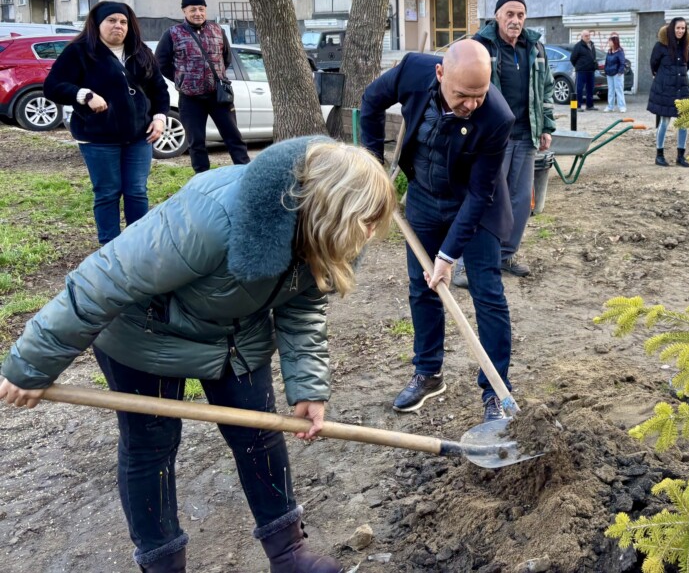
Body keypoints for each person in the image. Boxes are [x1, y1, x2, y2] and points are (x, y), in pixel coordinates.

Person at [0, 138, 396, 573]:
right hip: (146, 330)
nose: (372, 234)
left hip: (233, 333)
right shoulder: (215, 218)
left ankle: (288, 553)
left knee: (260, 435)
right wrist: (30, 366)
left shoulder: (327, 235)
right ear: (328, 209)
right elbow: (100, 282)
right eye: (366, 222)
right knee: (152, 445)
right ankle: (163, 564)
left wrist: (308, 386)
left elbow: (304, 303)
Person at [360, 40, 516, 422]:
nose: (471, 105)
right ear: (440, 74)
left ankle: (496, 390)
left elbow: (481, 193)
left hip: (475, 208)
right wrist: (372, 164)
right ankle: (428, 373)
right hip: (424, 199)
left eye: (479, 95)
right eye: (462, 95)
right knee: (422, 288)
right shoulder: (413, 70)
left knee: (487, 293)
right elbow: (370, 102)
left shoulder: (497, 117)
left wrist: (447, 257)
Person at [449, 0, 554, 287]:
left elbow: (545, 91)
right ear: (497, 15)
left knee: (520, 202)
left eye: (520, 15)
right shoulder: (481, 46)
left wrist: (546, 127)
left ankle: (505, 255)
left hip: (526, 135)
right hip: (493, 139)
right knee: (483, 199)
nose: (515, 21)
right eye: (509, 14)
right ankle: (462, 263)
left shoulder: (535, 48)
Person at [43, 2, 170, 245]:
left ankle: (137, 245)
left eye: (123, 22)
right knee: (108, 193)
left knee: (137, 192)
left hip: (139, 137)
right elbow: (53, 87)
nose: (118, 26)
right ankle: (109, 247)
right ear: (98, 24)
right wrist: (85, 95)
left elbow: (159, 89)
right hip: (98, 138)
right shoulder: (80, 51)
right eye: (111, 20)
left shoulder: (141, 51)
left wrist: (160, 117)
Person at [155, 0, 249, 174]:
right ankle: (202, 178)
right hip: (190, 98)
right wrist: (182, 79)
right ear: (184, 11)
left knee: (234, 137)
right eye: (193, 10)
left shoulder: (218, 30)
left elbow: (226, 58)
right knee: (196, 142)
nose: (197, 13)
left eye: (201, 9)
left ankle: (244, 173)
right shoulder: (172, 34)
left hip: (219, 95)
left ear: (205, 10)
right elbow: (160, 63)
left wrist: (216, 76)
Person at [647, 17, 689, 168]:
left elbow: (687, 65)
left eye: (683, 28)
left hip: (682, 88)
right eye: (678, 28)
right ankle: (659, 155)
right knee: (664, 122)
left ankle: (681, 156)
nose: (680, 31)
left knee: (684, 122)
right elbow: (653, 64)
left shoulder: (687, 46)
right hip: (665, 89)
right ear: (672, 29)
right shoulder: (660, 46)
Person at [570, 30, 598, 111]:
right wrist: (579, 66)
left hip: (591, 70)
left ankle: (589, 105)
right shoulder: (578, 46)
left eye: (589, 35)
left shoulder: (592, 45)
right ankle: (577, 106)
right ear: (582, 37)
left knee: (590, 88)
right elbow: (573, 58)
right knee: (579, 88)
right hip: (581, 71)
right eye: (586, 35)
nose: (588, 37)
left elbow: (593, 56)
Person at [603, 34, 628, 113]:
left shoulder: (620, 51)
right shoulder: (609, 51)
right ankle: (610, 106)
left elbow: (622, 62)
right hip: (609, 73)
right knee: (611, 90)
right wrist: (606, 70)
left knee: (619, 90)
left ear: (614, 42)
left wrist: (620, 72)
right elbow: (606, 61)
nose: (609, 43)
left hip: (617, 74)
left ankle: (622, 107)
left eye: (610, 41)